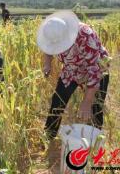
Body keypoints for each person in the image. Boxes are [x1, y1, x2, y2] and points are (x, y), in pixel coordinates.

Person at [36, 10, 110, 140]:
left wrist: (86, 102)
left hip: (97, 67)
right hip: (72, 69)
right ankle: (49, 135)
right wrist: (47, 64)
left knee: (95, 106)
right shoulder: (51, 32)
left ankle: (94, 138)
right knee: (58, 100)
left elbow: (95, 71)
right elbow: (47, 48)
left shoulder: (86, 35)